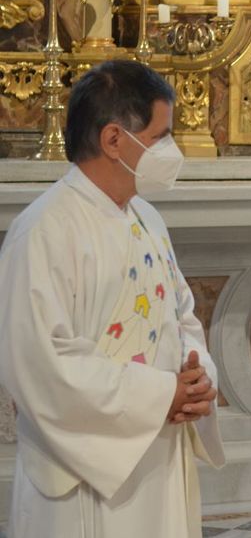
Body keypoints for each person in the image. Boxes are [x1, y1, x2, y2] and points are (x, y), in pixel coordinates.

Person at [0, 60, 225, 537]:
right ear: (114, 140)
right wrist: (162, 394)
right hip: (85, 477)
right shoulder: (44, 230)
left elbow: (181, 317)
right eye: (160, 137)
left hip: (159, 453)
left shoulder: (146, 217)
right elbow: (42, 365)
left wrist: (198, 378)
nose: (170, 150)